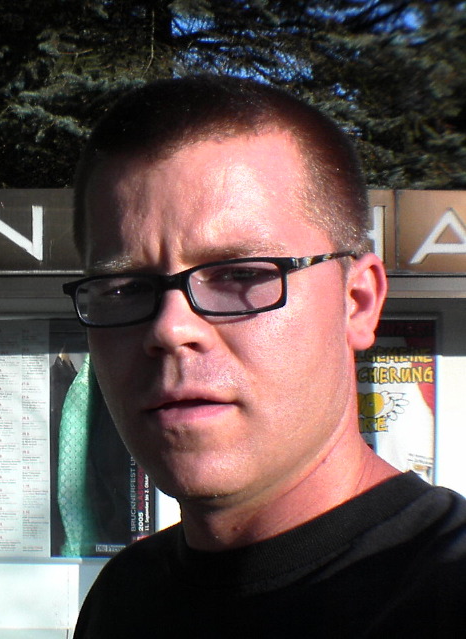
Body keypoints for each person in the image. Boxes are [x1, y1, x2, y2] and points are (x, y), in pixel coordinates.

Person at [62, 75, 466, 637]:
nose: (170, 327)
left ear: (358, 302)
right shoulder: (121, 600)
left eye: (242, 275)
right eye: (125, 287)